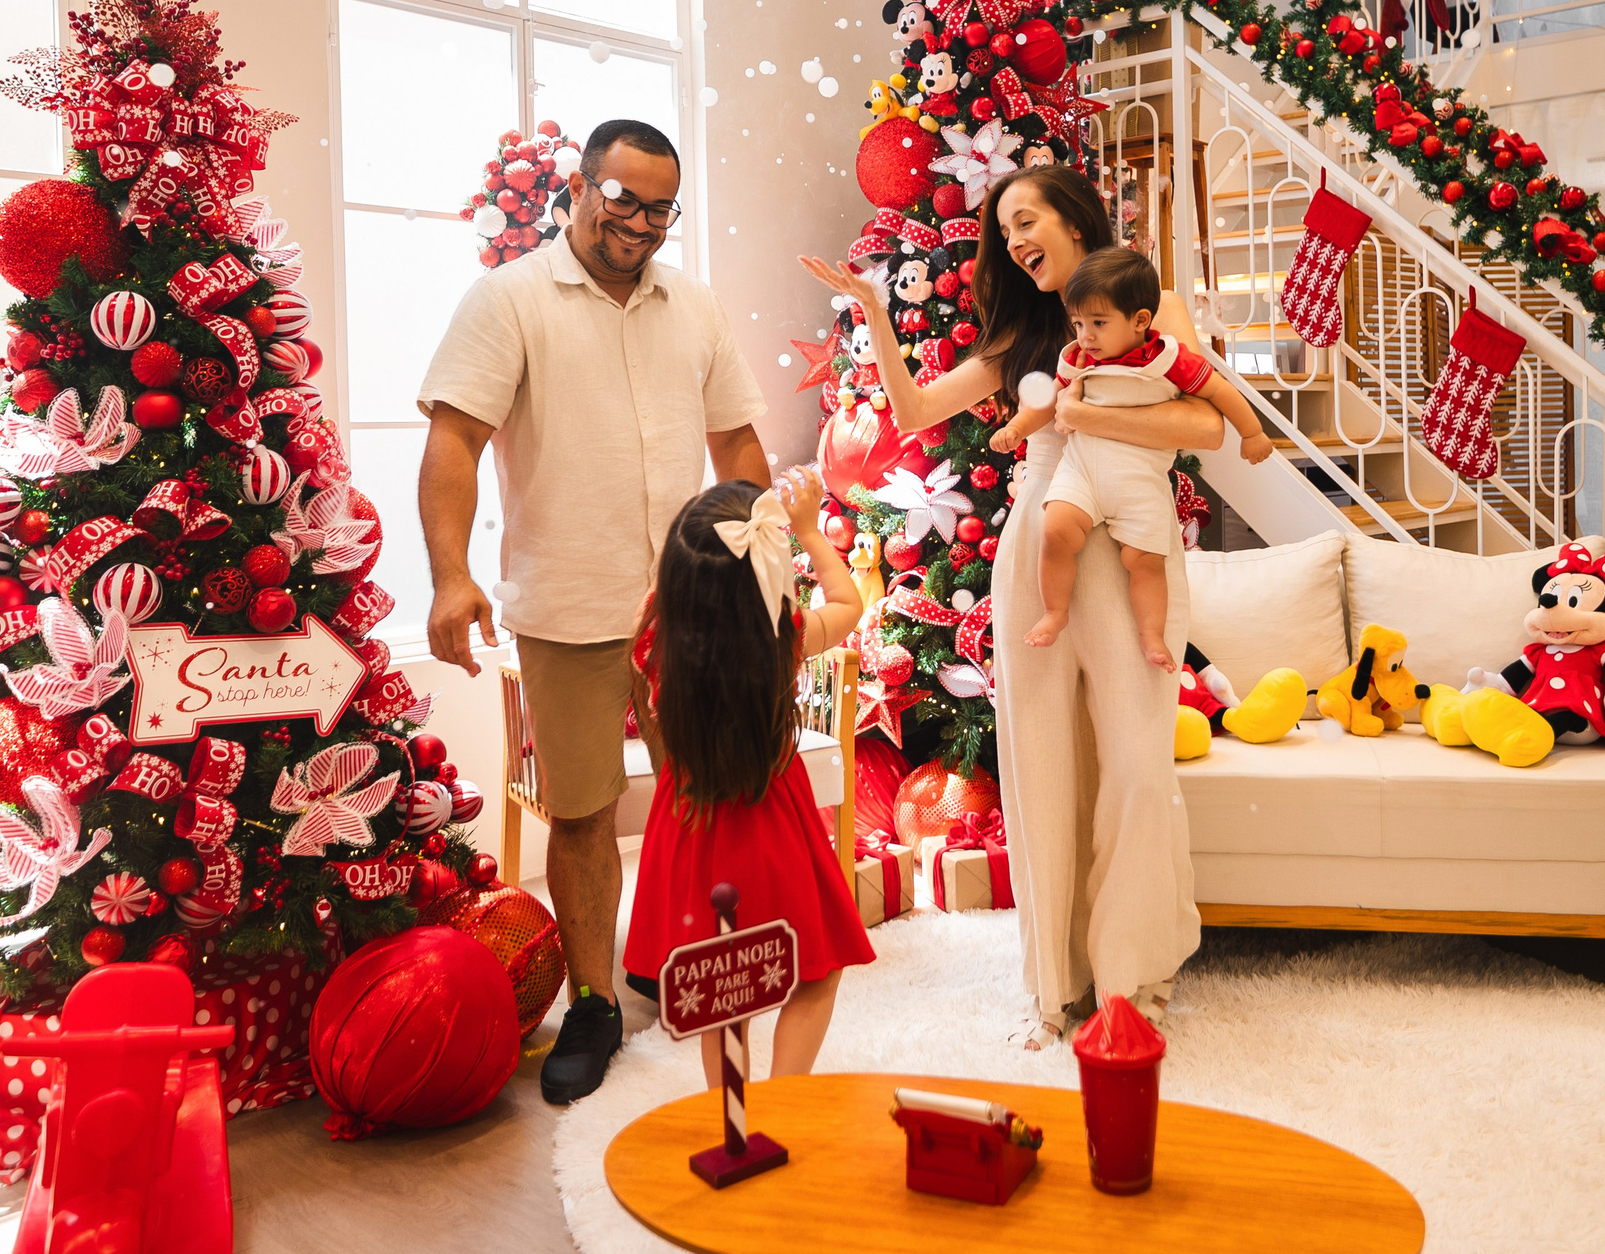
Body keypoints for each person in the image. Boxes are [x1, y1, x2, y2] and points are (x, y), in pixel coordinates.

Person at [801, 165, 1227, 1043]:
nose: (1015, 239)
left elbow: (1208, 427)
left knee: (1139, 769)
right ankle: (1058, 986)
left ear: (1075, 218)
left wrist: (1088, 418)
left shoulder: (1155, 311)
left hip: (1131, 548)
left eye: (1027, 219)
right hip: (1038, 551)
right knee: (1042, 768)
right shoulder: (1021, 338)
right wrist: (877, 317)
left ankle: (1130, 978)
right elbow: (916, 409)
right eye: (1005, 229)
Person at [417, 118, 770, 1105]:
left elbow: (737, 441)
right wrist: (450, 575)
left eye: (661, 208)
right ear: (579, 186)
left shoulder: (690, 304)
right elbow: (455, 442)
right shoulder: (509, 299)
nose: (642, 223)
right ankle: (595, 1001)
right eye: (624, 200)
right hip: (565, 600)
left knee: (708, 796)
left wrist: (758, 565)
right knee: (579, 811)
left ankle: (690, 960)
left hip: (690, 602)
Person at [621, 467, 872, 1088]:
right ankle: (786, 1096)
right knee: (814, 971)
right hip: (772, 823)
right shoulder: (782, 640)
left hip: (691, 826)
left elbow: (659, 617)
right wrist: (812, 531)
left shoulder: (652, 644)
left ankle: (729, 1109)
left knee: (719, 986)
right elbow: (850, 603)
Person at [992, 247, 1275, 671]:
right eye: (1079, 323)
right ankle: (1055, 612)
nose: (1086, 335)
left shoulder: (1169, 358)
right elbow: (1050, 399)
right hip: (1083, 469)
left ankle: (1151, 635)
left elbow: (1218, 392)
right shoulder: (1078, 357)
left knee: (1145, 561)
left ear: (1141, 321)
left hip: (1140, 479)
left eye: (1099, 324)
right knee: (1055, 532)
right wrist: (1017, 427)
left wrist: (1251, 433)